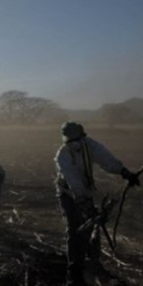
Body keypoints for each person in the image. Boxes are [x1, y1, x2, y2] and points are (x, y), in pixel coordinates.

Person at [55, 121, 140, 286]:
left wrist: (123, 172)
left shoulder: (90, 145)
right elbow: (72, 179)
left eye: (76, 140)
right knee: (75, 230)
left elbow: (106, 159)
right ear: (66, 141)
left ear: (82, 136)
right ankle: (74, 274)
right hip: (68, 194)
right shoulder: (62, 155)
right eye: (71, 141)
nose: (74, 144)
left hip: (85, 192)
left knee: (90, 229)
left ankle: (91, 263)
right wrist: (83, 201)